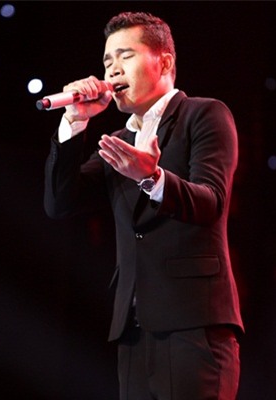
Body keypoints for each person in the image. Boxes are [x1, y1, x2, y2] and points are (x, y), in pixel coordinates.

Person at [44, 11, 244, 400]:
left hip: (193, 327)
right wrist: (75, 121)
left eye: (126, 56)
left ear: (164, 63)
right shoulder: (119, 141)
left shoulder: (204, 114)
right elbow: (60, 203)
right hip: (133, 330)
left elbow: (211, 201)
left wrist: (151, 178)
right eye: (107, 61)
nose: (112, 69)